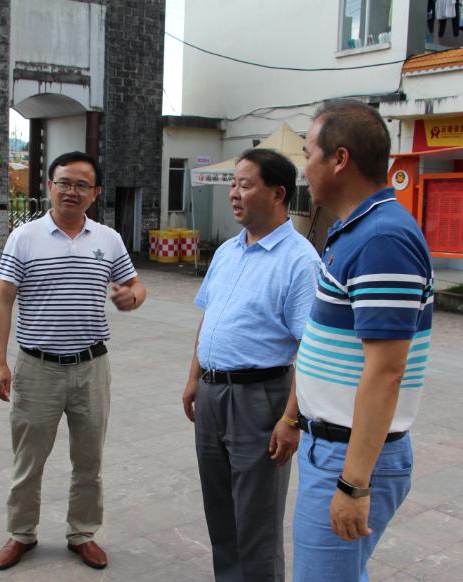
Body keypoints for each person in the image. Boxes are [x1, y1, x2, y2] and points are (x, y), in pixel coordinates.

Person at [290, 99, 434, 581]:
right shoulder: (355, 229)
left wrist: (353, 483)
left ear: (339, 159)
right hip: (330, 446)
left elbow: (386, 370)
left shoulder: (382, 239)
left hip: (348, 455)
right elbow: (328, 342)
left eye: (308, 153)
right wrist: (293, 416)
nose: (304, 168)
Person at [0, 151, 147, 571]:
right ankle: (21, 532)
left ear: (95, 193)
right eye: (64, 182)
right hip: (36, 367)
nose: (71, 191)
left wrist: (132, 297)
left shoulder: (108, 239)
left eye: (81, 185)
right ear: (49, 186)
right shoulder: (25, 238)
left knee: (89, 460)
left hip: (91, 367)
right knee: (29, 459)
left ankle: (83, 533)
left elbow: (135, 284)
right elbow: (2, 301)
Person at [182, 148, 320, 582]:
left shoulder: (300, 261)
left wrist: (292, 420)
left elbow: (311, 349)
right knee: (220, 511)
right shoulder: (228, 250)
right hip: (212, 394)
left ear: (278, 193)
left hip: (261, 399)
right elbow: (209, 316)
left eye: (245, 185)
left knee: (256, 519)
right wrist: (194, 378)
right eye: (233, 185)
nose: (234, 194)